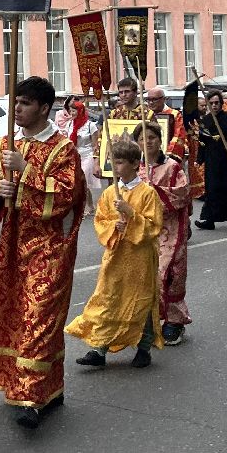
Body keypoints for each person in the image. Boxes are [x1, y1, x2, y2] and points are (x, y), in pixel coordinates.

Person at [0, 76, 85, 430]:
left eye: (24, 103)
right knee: (16, 313)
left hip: (50, 247)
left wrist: (25, 172)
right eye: (15, 102)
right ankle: (48, 386)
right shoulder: (6, 144)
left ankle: (31, 397)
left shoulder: (62, 149)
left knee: (40, 315)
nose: (17, 109)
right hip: (12, 245)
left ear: (44, 107)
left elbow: (67, 194)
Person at [68, 137, 164, 369]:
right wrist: (114, 227)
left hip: (140, 259)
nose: (116, 167)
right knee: (108, 299)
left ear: (135, 164)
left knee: (140, 301)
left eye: (120, 162)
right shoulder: (110, 192)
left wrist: (131, 214)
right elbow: (101, 220)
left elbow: (154, 227)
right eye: (114, 161)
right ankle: (99, 349)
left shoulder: (147, 193)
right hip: (116, 256)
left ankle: (143, 348)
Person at [134, 120, 192, 345]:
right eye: (142, 139)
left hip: (170, 229)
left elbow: (182, 194)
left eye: (152, 138)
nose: (147, 142)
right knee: (144, 275)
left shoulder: (173, 166)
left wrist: (154, 193)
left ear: (160, 140)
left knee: (170, 274)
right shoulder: (133, 167)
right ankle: (147, 320)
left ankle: (174, 321)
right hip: (142, 229)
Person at [195, 89, 227, 231]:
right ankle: (209, 219)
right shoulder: (205, 120)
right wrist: (199, 159)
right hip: (212, 159)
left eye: (217, 103)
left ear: (221, 103)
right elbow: (202, 142)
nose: (214, 105)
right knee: (212, 189)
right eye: (211, 103)